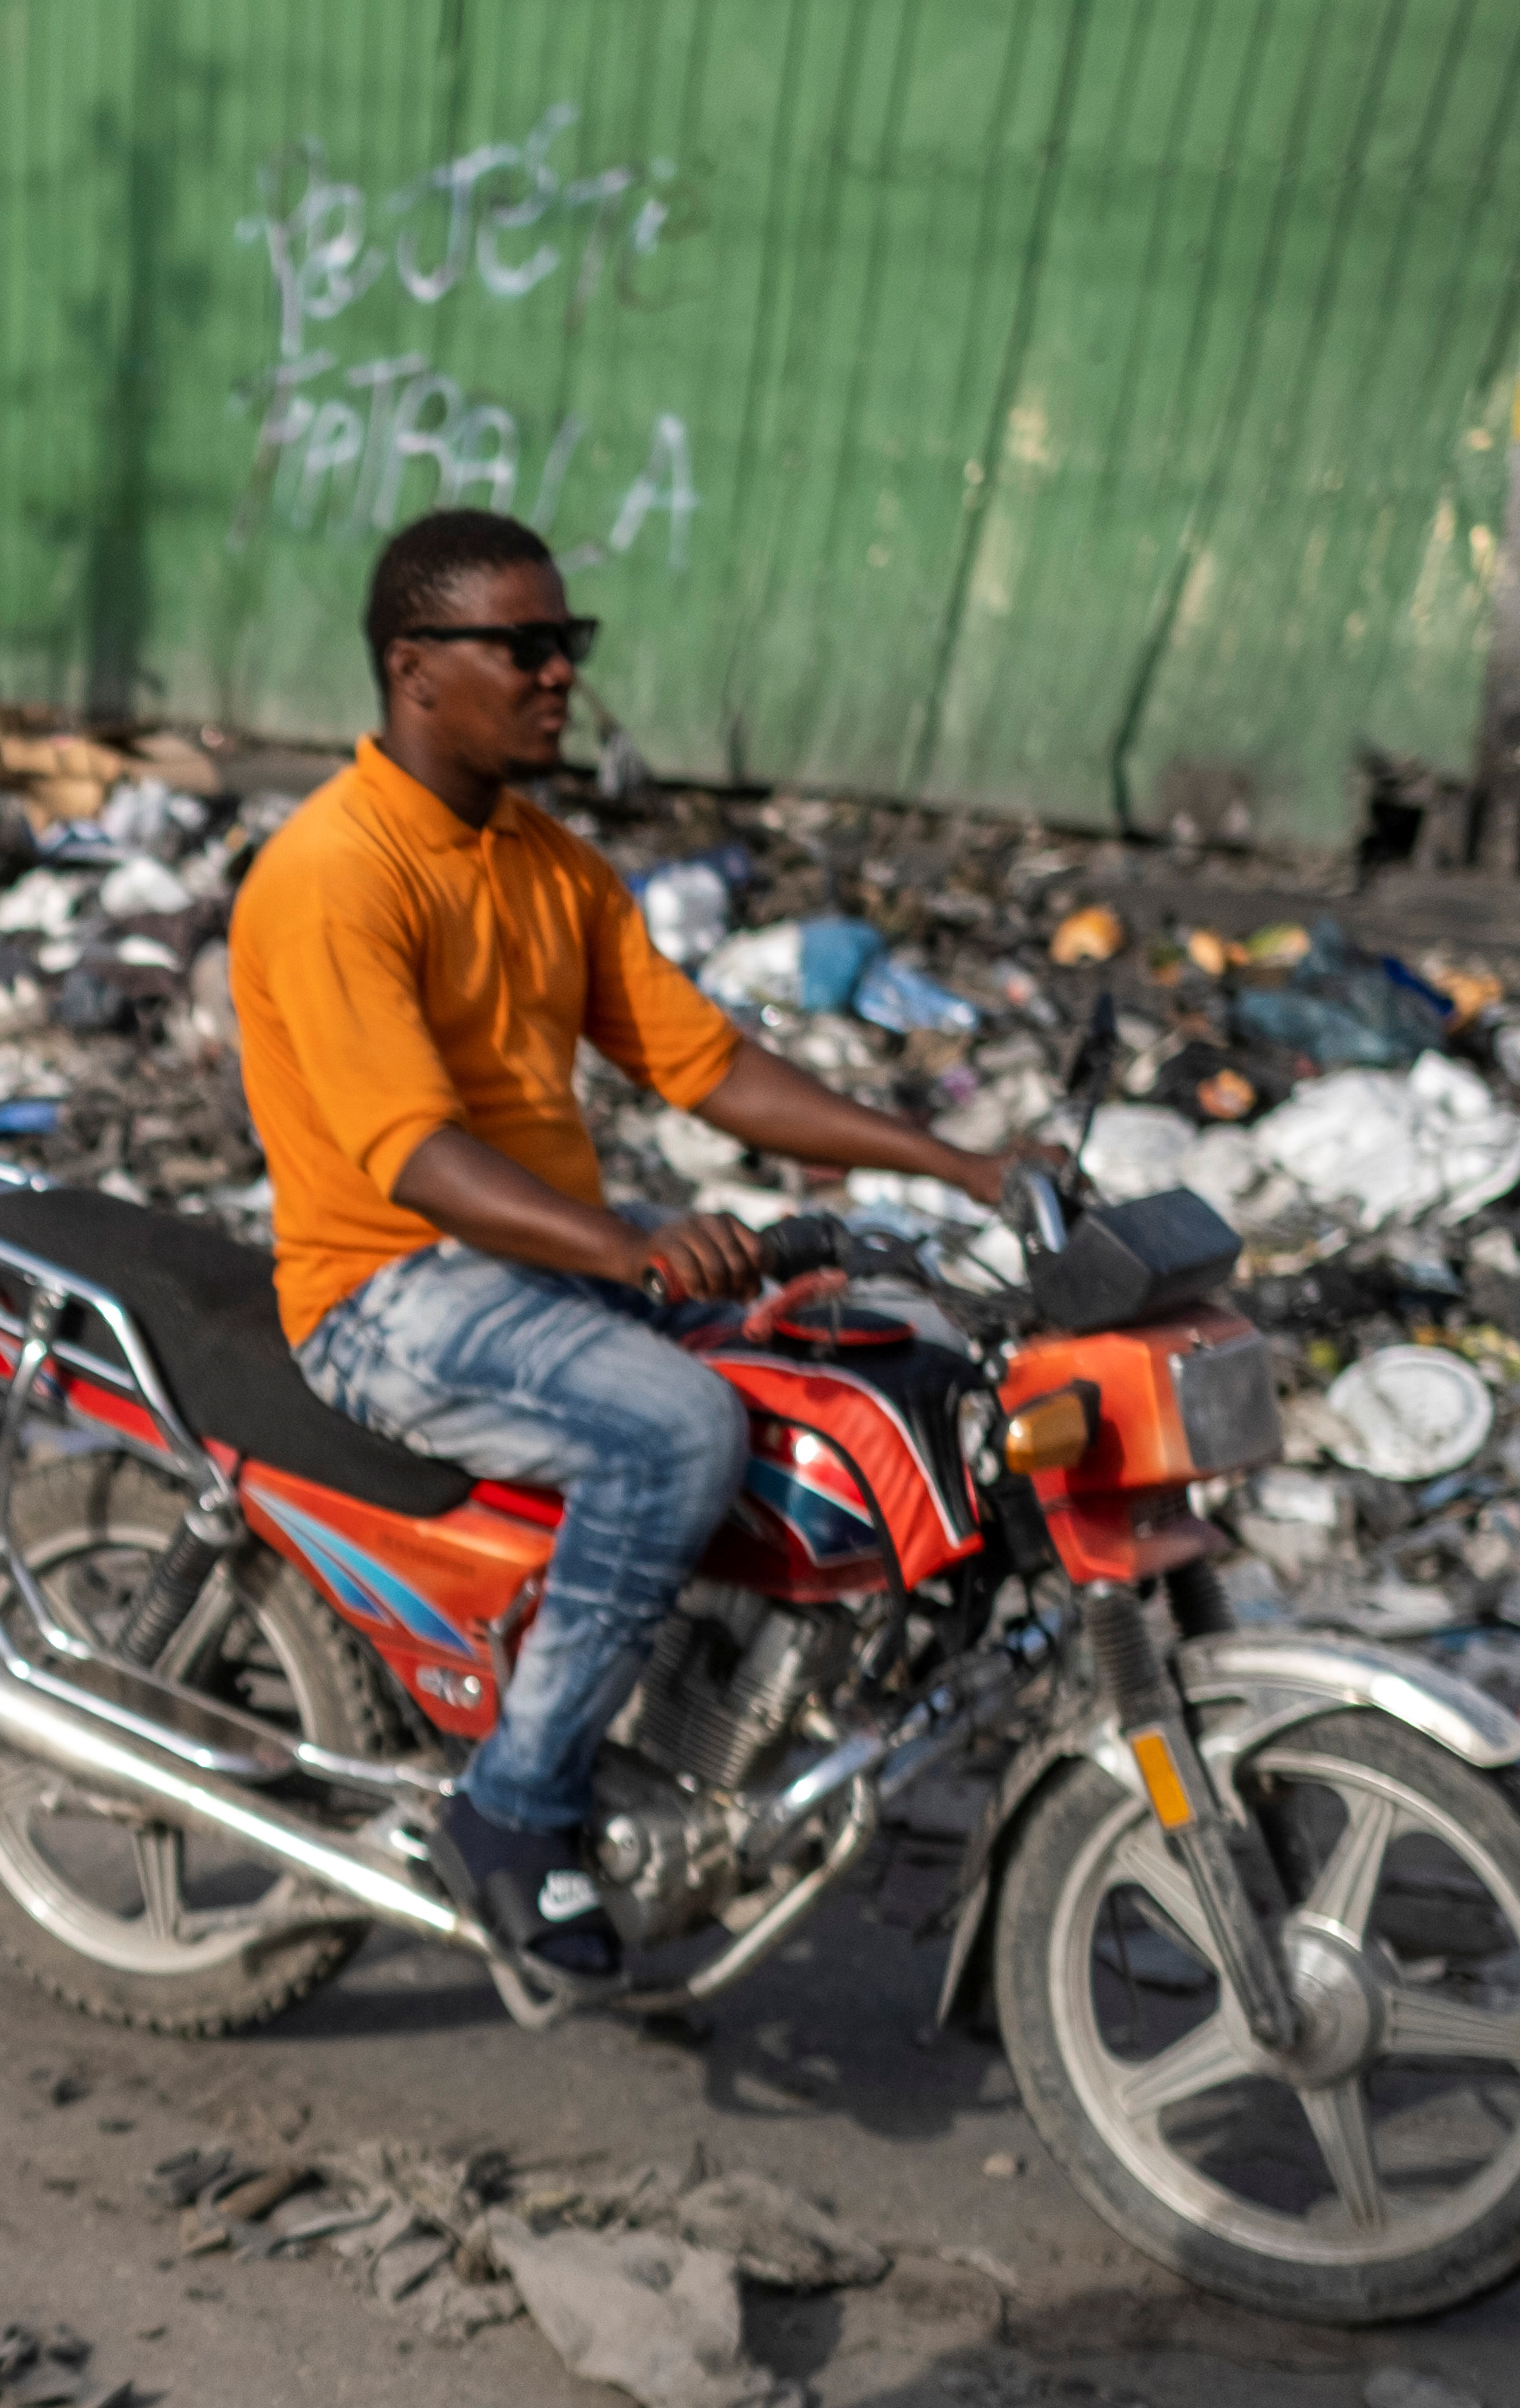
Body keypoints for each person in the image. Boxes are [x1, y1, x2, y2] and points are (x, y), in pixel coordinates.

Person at [229, 507, 1021, 2004]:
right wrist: (631, 1246)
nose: (558, 678)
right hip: (388, 1289)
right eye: (522, 648)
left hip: (534, 1267)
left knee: (856, 1346)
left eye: (567, 645)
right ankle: (515, 1810)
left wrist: (956, 1159)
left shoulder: (549, 864)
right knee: (679, 1427)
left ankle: (707, 1735)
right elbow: (416, 1159)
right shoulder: (337, 873)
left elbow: (707, 1066)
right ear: (415, 669)